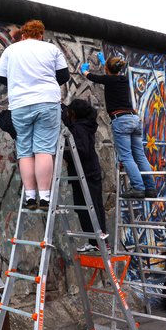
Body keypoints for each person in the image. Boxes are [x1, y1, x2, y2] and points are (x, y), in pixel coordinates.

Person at [0, 19, 70, 210]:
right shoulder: (51, 49)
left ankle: (30, 197)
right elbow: (64, 76)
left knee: (25, 150)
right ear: (40, 34)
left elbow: (0, 77)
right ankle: (44, 197)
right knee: (44, 149)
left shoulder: (10, 50)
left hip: (19, 104)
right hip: (47, 102)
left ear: (23, 34)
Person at [81, 54, 156, 198]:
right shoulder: (123, 79)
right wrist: (105, 64)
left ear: (107, 69)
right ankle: (150, 188)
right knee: (140, 155)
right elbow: (110, 76)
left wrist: (84, 70)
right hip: (134, 119)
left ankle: (138, 187)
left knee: (126, 156)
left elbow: (93, 77)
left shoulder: (108, 79)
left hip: (121, 120)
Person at [62, 99, 108, 252]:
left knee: (86, 208)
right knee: (95, 206)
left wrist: (64, 153)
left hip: (84, 173)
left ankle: (95, 242)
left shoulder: (78, 129)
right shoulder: (85, 125)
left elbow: (81, 151)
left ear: (74, 113)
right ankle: (99, 242)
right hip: (90, 171)